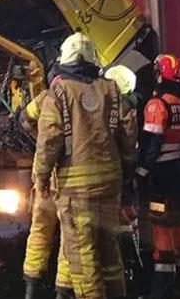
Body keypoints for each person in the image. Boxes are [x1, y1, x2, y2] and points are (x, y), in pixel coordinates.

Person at [33, 32, 138, 299]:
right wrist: (127, 169)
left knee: (84, 257)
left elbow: (48, 140)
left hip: (76, 191)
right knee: (109, 248)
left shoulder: (58, 93)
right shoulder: (111, 89)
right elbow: (128, 133)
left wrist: (41, 178)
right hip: (110, 185)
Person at [135, 54, 180, 298]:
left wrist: (141, 174)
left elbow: (151, 145)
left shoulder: (157, 105)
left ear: (160, 75)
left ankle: (162, 286)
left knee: (161, 225)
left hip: (163, 178)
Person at [20, 62, 73, 299]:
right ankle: (62, 291)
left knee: (39, 231)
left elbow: (24, 119)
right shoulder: (76, 98)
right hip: (65, 176)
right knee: (68, 237)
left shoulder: (45, 97)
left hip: (43, 177)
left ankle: (31, 288)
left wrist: (38, 137)